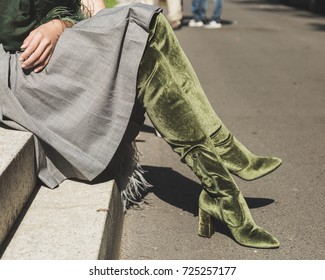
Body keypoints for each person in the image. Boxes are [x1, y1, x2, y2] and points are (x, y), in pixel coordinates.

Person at [0, 0, 282, 249]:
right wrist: (57, 26)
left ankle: (222, 178)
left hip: (42, 51)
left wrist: (58, 24)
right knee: (141, 37)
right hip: (18, 70)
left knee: (151, 24)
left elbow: (63, 9)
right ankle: (224, 177)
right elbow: (13, 29)